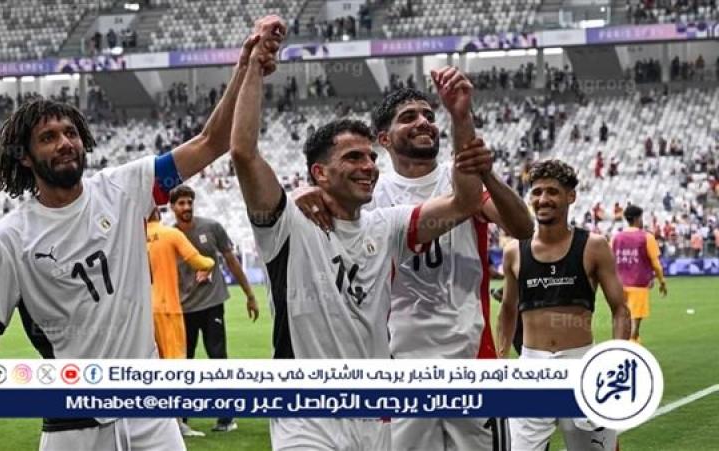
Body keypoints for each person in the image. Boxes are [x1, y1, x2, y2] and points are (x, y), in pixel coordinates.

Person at [0, 16, 284, 451]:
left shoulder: (126, 187)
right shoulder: (8, 238)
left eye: (71, 133)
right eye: (48, 137)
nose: (65, 143)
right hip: (71, 423)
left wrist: (246, 67)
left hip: (148, 413)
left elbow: (211, 142)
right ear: (24, 156)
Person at [230, 44, 490, 450]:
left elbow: (464, 202)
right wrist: (253, 69)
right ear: (320, 173)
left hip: (374, 415)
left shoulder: (387, 227)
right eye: (353, 157)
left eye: (371, 157)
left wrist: (460, 118)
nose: (368, 166)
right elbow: (244, 154)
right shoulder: (287, 224)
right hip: (307, 416)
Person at [295, 85, 534, 450]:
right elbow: (317, 209)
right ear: (384, 138)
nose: (423, 122)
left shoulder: (461, 180)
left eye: (429, 116)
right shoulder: (367, 191)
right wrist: (302, 193)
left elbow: (522, 228)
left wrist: (486, 172)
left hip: (470, 357)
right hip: (399, 365)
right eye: (409, 117)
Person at [497, 159, 630, 451]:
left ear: (571, 196)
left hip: (582, 366)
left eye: (552, 192)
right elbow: (507, 310)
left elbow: (620, 308)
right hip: (531, 370)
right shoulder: (514, 251)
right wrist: (501, 358)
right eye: (537, 192)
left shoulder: (594, 246)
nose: (543, 199)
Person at [169, 184, 261, 434]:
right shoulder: (169, 236)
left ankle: (226, 417)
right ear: (172, 207)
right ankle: (182, 418)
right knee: (183, 363)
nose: (186, 207)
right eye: (181, 203)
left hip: (212, 304)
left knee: (218, 359)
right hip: (184, 308)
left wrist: (250, 295)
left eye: (189, 202)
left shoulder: (211, 227)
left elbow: (231, 261)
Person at [146, 207, 215, 359]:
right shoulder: (171, 234)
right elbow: (199, 262)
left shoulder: (132, 240)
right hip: (166, 308)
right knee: (175, 360)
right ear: (157, 212)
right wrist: (211, 263)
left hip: (141, 312)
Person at [611, 204, 667, 344]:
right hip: (638, 284)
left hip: (618, 285)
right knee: (634, 324)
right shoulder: (646, 237)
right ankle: (631, 349)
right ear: (638, 218)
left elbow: (609, 260)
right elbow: (656, 264)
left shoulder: (616, 237)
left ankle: (621, 347)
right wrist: (662, 282)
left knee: (622, 320)